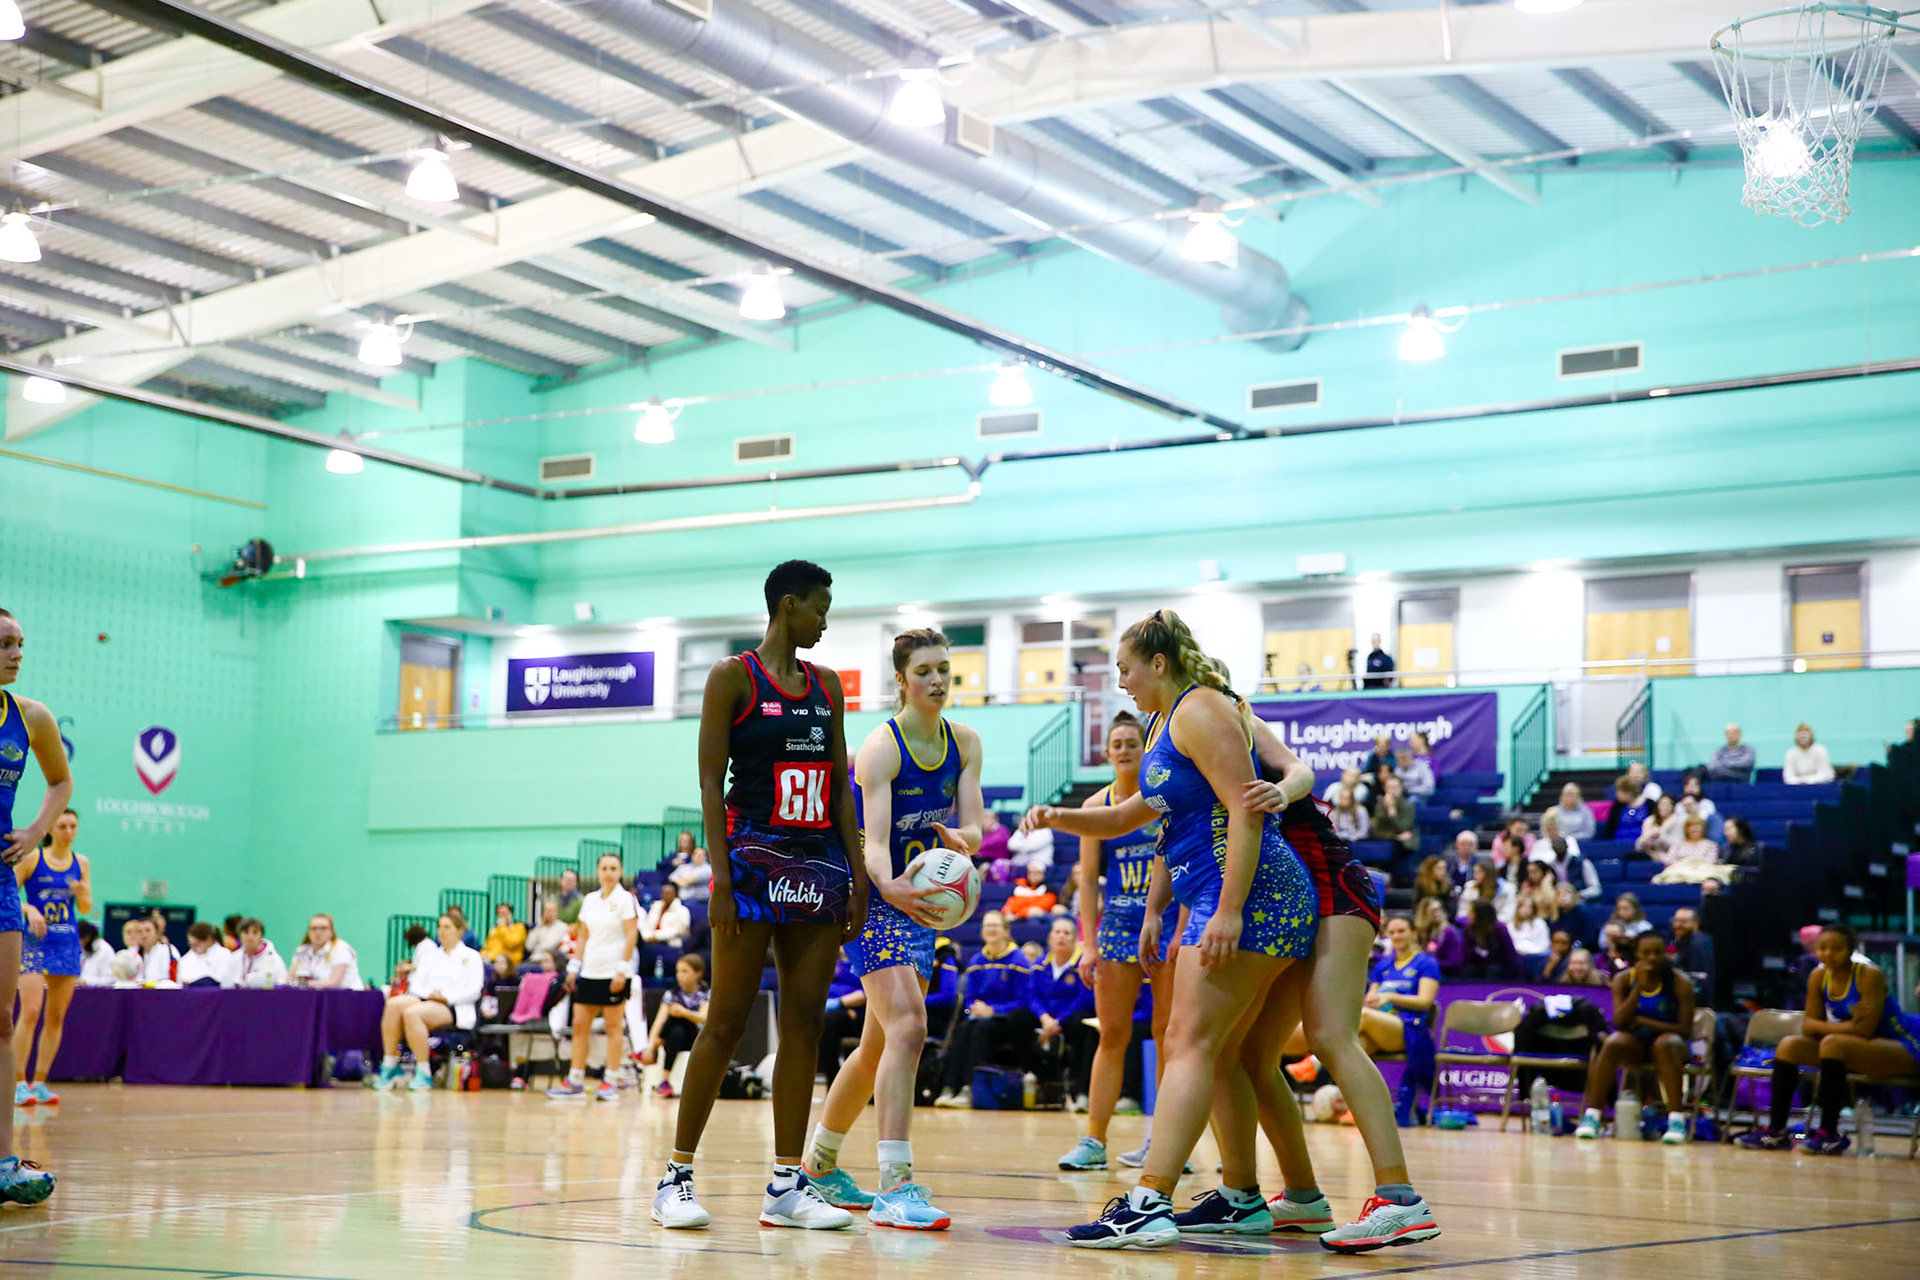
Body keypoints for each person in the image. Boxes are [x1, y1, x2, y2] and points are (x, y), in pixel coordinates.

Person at [1019, 611, 1322, 1249]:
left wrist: (1231, 909)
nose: (1120, 682)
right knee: (1222, 1055)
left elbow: (1245, 810)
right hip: (1223, 892)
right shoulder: (1165, 722)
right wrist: (1060, 817)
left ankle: (1149, 1200)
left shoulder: (1200, 708)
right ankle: (1242, 1197)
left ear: (1158, 664)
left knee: (1187, 1041)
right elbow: (1129, 813)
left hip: (1247, 893)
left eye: (1125, 669)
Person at [655, 561, 864, 1233]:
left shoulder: (827, 686)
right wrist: (719, 877)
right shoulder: (731, 678)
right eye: (820, 608)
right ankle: (677, 1176)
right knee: (725, 1020)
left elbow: (838, 790)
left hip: (818, 866)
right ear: (787, 605)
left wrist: (856, 876)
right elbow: (710, 782)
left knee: (806, 1022)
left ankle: (786, 1184)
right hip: (749, 863)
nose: (826, 621)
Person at [803, 627, 982, 1231]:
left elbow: (977, 829)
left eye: (944, 669)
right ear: (901, 680)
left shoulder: (965, 743)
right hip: (866, 893)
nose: (937, 680)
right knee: (909, 1026)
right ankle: (895, 1185)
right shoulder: (881, 748)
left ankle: (820, 1166)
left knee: (879, 1043)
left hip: (918, 899)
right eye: (925, 670)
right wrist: (893, 890)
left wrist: (961, 843)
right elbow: (874, 849)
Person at [1057, 712, 1180, 1173]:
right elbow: (1088, 882)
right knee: (1112, 1034)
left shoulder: (1163, 799)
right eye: (1118, 743)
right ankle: (1093, 1141)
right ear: (1107, 752)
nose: (1125, 748)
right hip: (1117, 928)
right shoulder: (1094, 805)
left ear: (1143, 750)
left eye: (1133, 741)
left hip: (1165, 925)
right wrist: (1088, 944)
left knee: (1168, 1035)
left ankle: (1166, 1142)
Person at [0, 610, 71, 1202]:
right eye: (5, 644)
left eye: (20, 643)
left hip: (0, 883)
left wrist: (33, 833)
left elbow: (59, 782)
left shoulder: (31, 717)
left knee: (2, 1020)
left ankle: (2, 1160)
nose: (17, 653)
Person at [1739, 923, 1920, 1153]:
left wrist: (1827, 1027)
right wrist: (1848, 1025)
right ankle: (1776, 1131)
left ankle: (1829, 1134)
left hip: (1900, 1043)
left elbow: (1865, 1030)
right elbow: (1808, 1026)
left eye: (1837, 949)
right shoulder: (1818, 975)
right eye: (1822, 948)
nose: (1829, 954)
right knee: (1788, 1046)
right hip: (1855, 1043)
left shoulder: (1868, 975)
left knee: (1832, 1044)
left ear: (1851, 949)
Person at [1574, 931, 1697, 1144]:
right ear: (1637, 955)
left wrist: (1645, 1022)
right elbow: (1620, 1021)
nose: (1651, 958)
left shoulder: (1680, 983)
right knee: (1613, 1042)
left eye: (1657, 952)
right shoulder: (1623, 979)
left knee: (1664, 1043)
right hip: (1637, 1045)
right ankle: (1592, 1117)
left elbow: (1685, 1030)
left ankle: (1676, 1120)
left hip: (1672, 1046)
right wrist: (1638, 987)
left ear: (1665, 954)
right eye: (1646, 953)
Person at [548, 851, 640, 1102]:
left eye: (613, 868)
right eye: (604, 868)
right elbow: (583, 936)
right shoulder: (589, 900)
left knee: (613, 1028)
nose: (608, 873)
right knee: (579, 1026)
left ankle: (610, 1080)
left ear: (620, 872)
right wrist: (574, 967)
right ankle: (575, 1080)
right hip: (589, 972)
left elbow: (631, 936)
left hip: (614, 973)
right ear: (598, 872)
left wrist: (623, 969)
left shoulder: (625, 900)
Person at [14, 808, 89, 1106]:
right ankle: (18, 1081)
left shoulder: (81, 863)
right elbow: (7, 892)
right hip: (34, 942)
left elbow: (85, 907)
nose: (68, 831)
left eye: (73, 826)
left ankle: (40, 1082)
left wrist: (81, 893)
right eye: (62, 826)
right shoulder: (33, 858)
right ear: (51, 829)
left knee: (56, 1016)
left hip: (66, 942)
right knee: (30, 1011)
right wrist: (29, 908)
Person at [373, 913, 483, 1092]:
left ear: (460, 930)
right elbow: (416, 984)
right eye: (440, 926)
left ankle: (424, 1072)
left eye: (447, 927)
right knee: (394, 1004)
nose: (441, 931)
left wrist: (446, 997)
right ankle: (390, 1064)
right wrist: (430, 994)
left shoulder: (472, 956)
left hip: (455, 1006)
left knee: (413, 1013)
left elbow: (474, 990)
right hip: (426, 999)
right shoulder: (431, 956)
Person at [934, 910, 1033, 1106]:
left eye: (996, 925)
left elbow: (1024, 1001)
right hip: (980, 1017)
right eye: (987, 925)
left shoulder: (1018, 960)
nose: (991, 930)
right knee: (963, 1030)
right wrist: (975, 1008)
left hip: (1008, 1020)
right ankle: (948, 1087)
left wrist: (993, 1011)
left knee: (981, 1030)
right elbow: (970, 998)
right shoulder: (977, 961)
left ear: (1006, 931)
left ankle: (969, 1089)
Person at [1361, 914, 1440, 1092]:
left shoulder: (1427, 963)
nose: (1396, 936)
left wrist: (1390, 997)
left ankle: (1315, 1061)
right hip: (1379, 1025)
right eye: (1392, 932)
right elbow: (1371, 999)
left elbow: (1425, 1002)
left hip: (1410, 1027)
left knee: (1364, 1017)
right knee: (1359, 1046)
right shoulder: (1382, 965)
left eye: (1401, 931)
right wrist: (1372, 999)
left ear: (1414, 933)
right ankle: (1356, 1106)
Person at [1028, 917, 1097, 1108]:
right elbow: (1032, 996)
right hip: (1045, 1019)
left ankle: (1080, 1091)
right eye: (1057, 932)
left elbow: (1083, 999)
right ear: (1050, 937)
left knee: (1082, 1026)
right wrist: (1044, 1018)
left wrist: (1057, 1021)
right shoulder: (1040, 963)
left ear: (1074, 939)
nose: (1061, 937)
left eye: (1066, 933)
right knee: (1019, 1019)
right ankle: (1034, 1083)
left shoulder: (1082, 964)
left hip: (1070, 1019)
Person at [641, 954, 709, 1094]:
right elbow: (659, 1021)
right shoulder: (672, 994)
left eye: (685, 971)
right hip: (674, 1037)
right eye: (678, 971)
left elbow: (702, 1018)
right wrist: (649, 1047)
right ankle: (665, 1080)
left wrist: (684, 1012)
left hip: (696, 1037)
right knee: (676, 1029)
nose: (680, 975)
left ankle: (664, 1075)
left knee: (678, 1019)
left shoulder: (706, 994)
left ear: (698, 973)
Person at [288, 914, 362, 989]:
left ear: (331, 931)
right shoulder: (301, 951)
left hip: (347, 995)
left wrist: (305, 984)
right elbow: (289, 979)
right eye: (313, 928)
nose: (318, 933)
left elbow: (335, 983)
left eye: (323, 928)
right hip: (314, 995)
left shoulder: (341, 949)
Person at [639, 883, 692, 978]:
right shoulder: (655, 907)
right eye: (664, 893)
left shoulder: (682, 910)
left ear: (675, 894)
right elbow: (648, 926)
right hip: (650, 941)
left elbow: (679, 930)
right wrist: (647, 936)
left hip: (670, 943)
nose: (665, 895)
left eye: (669, 893)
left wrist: (656, 936)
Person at [1457, 902, 1521, 981]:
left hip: (1499, 969)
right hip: (1478, 968)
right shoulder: (1469, 930)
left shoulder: (1500, 930)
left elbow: (1510, 956)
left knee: (1492, 970)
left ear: (1481, 914)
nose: (1468, 915)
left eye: (1471, 912)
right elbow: (1467, 955)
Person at [1667, 907, 1714, 998]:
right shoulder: (1676, 939)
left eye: (1684, 922)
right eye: (1676, 921)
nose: (1678, 925)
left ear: (1695, 924)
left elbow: (1699, 978)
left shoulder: (1699, 944)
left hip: (1693, 1000)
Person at [1369, 776, 1419, 860]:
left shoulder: (1408, 805)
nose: (1391, 791)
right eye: (1388, 788)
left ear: (1401, 789)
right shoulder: (1380, 804)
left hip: (1404, 844)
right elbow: (1377, 829)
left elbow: (1402, 828)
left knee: (1395, 848)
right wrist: (1394, 836)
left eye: (1394, 788)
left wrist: (1392, 812)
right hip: (1386, 839)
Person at [178, 922, 236, 987]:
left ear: (209, 940)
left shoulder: (224, 955)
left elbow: (223, 980)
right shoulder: (188, 957)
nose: (193, 948)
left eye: (196, 945)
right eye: (191, 945)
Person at [232, 919, 286, 988]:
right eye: (246, 932)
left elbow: (282, 984)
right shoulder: (234, 958)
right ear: (240, 936)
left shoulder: (273, 958)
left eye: (255, 933)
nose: (250, 937)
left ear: (261, 935)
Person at [1454, 860, 1511, 924]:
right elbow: (1462, 911)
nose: (1475, 876)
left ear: (1488, 873)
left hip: (1496, 926)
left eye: (1479, 872)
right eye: (1475, 872)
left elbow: (1507, 914)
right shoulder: (1470, 888)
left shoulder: (1506, 890)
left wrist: (1489, 922)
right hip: (1473, 925)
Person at [1598, 775, 1649, 840]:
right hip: (1618, 843)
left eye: (1619, 791)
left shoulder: (1649, 804)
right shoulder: (1617, 806)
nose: (1616, 794)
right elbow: (1610, 829)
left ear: (1628, 792)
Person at [523, 900, 569, 967]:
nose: (549, 913)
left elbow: (563, 947)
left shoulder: (563, 927)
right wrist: (539, 927)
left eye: (551, 910)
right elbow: (529, 946)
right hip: (535, 959)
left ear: (557, 912)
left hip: (552, 961)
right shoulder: (538, 927)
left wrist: (541, 949)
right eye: (547, 910)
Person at [481, 903, 527, 967]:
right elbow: (487, 946)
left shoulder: (519, 927)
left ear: (511, 914)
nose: (502, 916)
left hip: (510, 961)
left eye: (505, 913)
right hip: (492, 959)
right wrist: (483, 955)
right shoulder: (495, 929)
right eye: (500, 913)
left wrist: (503, 927)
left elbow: (511, 943)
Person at [1635, 795, 1679, 859]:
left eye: (1667, 805)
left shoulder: (1677, 821)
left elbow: (1676, 845)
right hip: (1650, 854)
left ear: (1673, 807)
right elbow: (1640, 843)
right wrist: (1645, 841)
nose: (1664, 807)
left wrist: (1660, 836)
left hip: (1669, 855)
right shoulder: (1649, 821)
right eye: (1662, 804)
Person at [1508, 895, 1551, 961]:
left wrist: (1527, 951)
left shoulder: (1540, 924)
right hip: (1515, 955)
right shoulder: (1511, 924)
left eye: (1529, 907)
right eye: (1523, 906)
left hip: (1534, 956)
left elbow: (1544, 945)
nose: (1526, 910)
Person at [77, 920, 114, 988]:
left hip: (100, 993)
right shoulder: (80, 949)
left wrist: (86, 981)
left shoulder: (104, 949)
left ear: (87, 938)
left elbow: (110, 979)